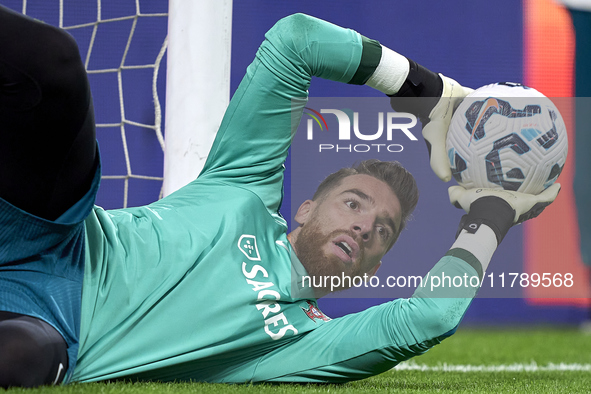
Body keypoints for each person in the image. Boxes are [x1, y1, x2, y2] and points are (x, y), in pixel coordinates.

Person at [0, 7, 560, 387]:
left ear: (376, 267)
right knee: (53, 67)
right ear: (306, 207)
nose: (366, 226)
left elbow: (430, 317)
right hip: (57, 230)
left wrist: (494, 210)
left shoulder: (299, 344)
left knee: (23, 360)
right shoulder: (243, 184)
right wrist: (430, 93)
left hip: (56, 331)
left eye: (384, 229)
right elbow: (297, 41)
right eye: (354, 202)